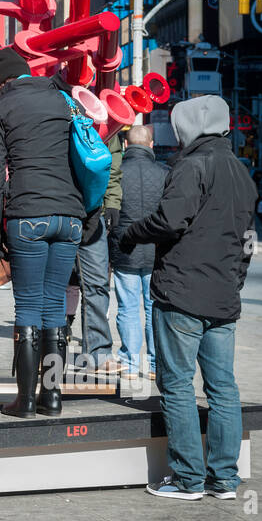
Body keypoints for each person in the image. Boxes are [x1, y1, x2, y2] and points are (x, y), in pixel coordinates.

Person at [118, 95, 258, 501]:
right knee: (223, 388)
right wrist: (235, 282)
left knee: (177, 385)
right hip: (223, 297)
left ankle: (187, 480)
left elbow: (170, 220)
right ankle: (225, 481)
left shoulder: (190, 167)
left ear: (189, 129)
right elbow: (247, 242)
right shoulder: (241, 172)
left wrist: (130, 233)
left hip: (181, 292)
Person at [0, 48, 85, 418]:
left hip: (28, 214)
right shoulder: (61, 97)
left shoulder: (0, 107)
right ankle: (53, 397)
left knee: (28, 306)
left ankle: (25, 401)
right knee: (55, 306)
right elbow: (86, 152)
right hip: (70, 216)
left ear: (3, 83)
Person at [110, 124, 168, 380]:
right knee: (154, 307)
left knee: (128, 307)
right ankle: (155, 365)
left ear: (125, 145)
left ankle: (130, 364)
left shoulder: (117, 173)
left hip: (125, 250)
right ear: (152, 145)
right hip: (157, 252)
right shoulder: (165, 173)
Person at [75, 128, 122, 374]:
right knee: (49, 287)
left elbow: (112, 159)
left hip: (93, 211)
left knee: (97, 284)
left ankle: (98, 353)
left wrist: (113, 201)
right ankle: (46, 351)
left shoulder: (99, 115)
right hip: (55, 202)